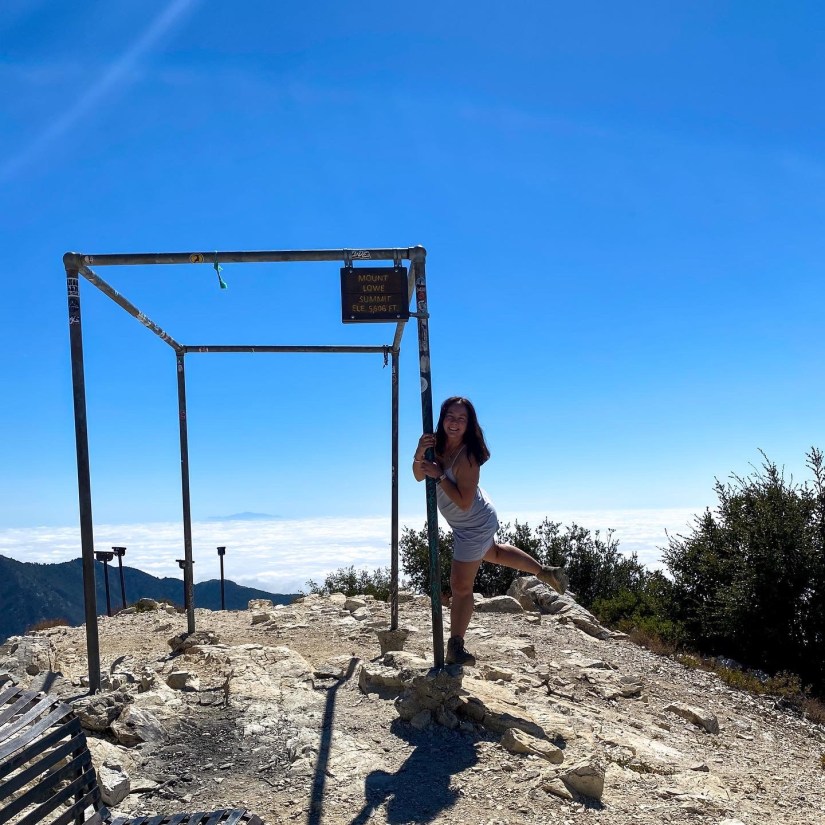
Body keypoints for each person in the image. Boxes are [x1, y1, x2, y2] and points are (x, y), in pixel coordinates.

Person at [413, 396, 569, 666]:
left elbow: (463, 503)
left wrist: (439, 475)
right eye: (450, 416)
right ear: (442, 417)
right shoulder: (435, 445)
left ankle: (456, 646)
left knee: (461, 586)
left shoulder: (468, 457)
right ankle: (544, 571)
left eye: (461, 418)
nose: (455, 423)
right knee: (493, 552)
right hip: (471, 519)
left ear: (469, 424)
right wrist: (419, 453)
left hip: (473, 522)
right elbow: (418, 475)